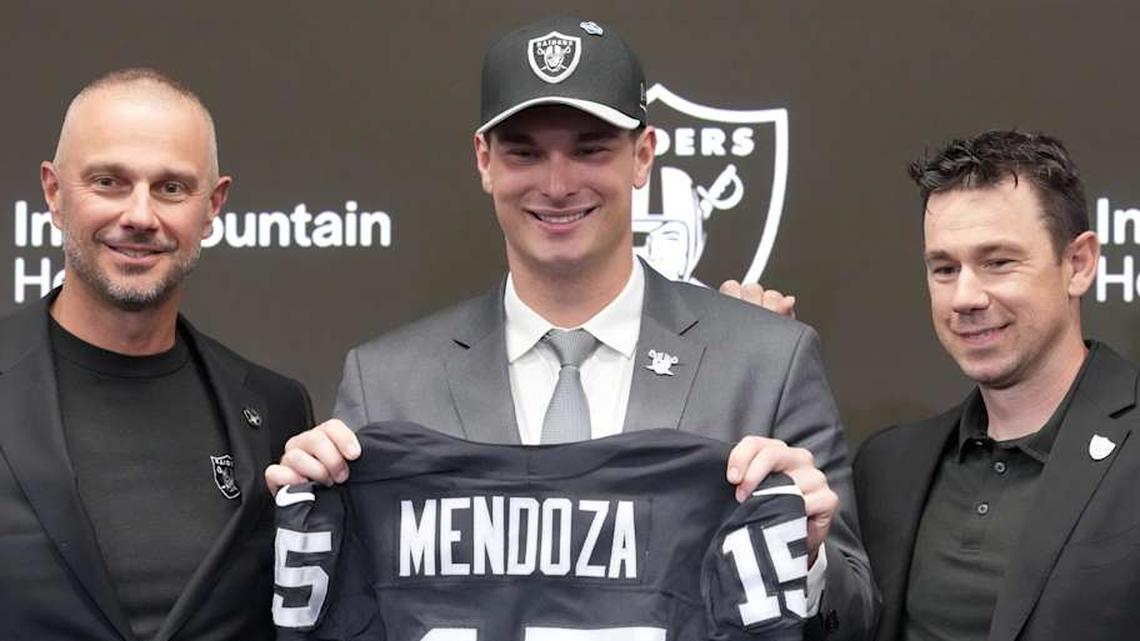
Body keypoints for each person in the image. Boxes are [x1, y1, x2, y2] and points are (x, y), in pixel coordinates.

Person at [266, 16, 874, 639]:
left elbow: (854, 621)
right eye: (524, 152)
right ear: (484, 161)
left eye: (590, 148)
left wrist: (807, 555)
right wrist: (318, 527)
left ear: (643, 156)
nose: (557, 185)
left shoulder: (768, 362)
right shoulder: (386, 380)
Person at [0, 69, 313, 641]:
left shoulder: (277, 410)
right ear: (53, 192)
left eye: (171, 187)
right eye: (109, 181)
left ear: (213, 205)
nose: (140, 216)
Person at [854, 130, 1140, 641]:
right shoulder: (886, 468)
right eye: (944, 268)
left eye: (998, 262)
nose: (965, 296)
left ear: (1078, 264)